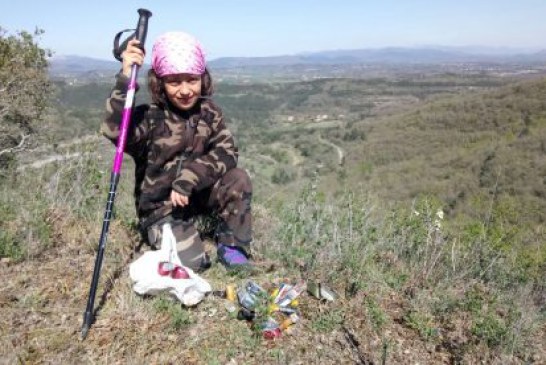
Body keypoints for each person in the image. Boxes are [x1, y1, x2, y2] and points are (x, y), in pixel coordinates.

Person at [101, 31, 252, 271]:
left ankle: (231, 245)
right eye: (174, 82)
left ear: (203, 78)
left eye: (192, 80)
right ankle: (168, 233)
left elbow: (228, 152)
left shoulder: (209, 112)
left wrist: (191, 176)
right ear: (159, 83)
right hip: (161, 209)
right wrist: (124, 77)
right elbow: (114, 131)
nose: (184, 90)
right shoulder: (149, 117)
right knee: (195, 265)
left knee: (238, 178)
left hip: (196, 197)